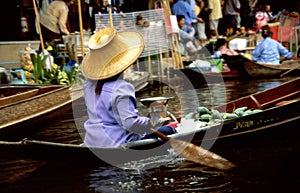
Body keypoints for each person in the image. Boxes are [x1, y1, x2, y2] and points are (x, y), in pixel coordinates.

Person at [81, 27, 176, 148]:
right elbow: (130, 124)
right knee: (169, 130)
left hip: (92, 142)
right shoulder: (122, 88)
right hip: (119, 143)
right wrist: (148, 122)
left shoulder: (88, 85)